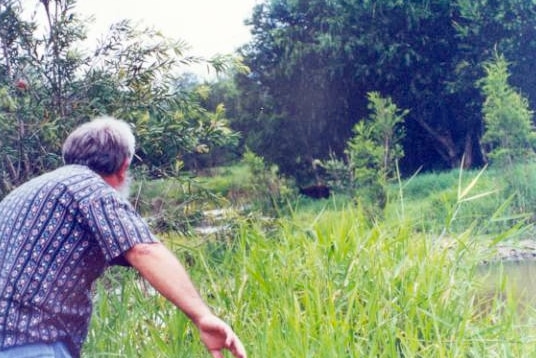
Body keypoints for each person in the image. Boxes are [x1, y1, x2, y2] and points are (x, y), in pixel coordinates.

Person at [0, 116, 247, 358]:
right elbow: (144, 251)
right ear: (123, 167)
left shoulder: (18, 197)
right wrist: (202, 316)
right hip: (32, 343)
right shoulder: (89, 187)